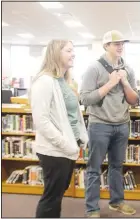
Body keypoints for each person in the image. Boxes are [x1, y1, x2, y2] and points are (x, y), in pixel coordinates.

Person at [80, 30, 138, 217]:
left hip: (122, 124)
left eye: (122, 43)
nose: (120, 46)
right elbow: (85, 99)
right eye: (116, 43)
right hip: (100, 125)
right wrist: (111, 83)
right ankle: (92, 208)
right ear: (106, 46)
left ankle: (116, 202)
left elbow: (134, 100)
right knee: (94, 168)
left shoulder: (128, 68)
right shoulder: (94, 68)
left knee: (116, 167)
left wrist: (125, 82)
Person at [29, 40, 89, 218]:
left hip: (66, 150)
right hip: (55, 150)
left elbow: (71, 115)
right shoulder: (44, 81)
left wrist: (78, 139)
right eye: (69, 50)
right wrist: (66, 144)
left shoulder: (63, 81)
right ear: (56, 53)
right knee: (51, 199)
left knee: (56, 196)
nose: (73, 54)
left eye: (74, 50)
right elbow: (42, 122)